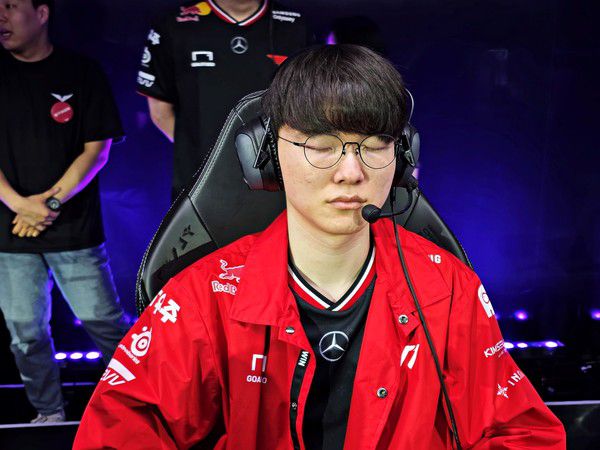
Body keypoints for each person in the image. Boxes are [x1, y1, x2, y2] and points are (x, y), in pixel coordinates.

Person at [74, 45, 566, 449]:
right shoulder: (201, 298)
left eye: (374, 145)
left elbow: (519, 432)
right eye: (321, 145)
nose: (351, 173)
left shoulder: (447, 287)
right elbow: (118, 434)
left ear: (403, 157)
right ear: (266, 156)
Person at [0, 0, 130, 423]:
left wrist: (49, 204)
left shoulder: (82, 72)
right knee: (24, 332)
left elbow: (97, 149)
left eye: (10, 6)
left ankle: (138, 405)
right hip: (11, 230)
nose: (1, 16)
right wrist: (22, 205)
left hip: (74, 227)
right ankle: (48, 413)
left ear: (41, 14)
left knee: (104, 323)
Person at [137, 0, 313, 199]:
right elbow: (160, 112)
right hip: (201, 185)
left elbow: (312, 108)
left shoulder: (297, 25)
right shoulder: (173, 25)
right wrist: (210, 158)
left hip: (278, 181)